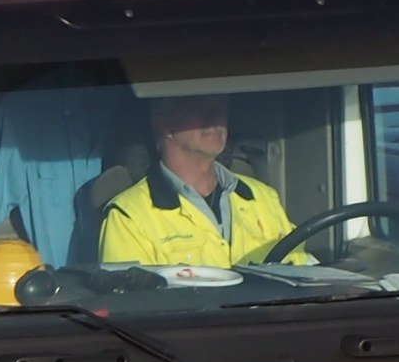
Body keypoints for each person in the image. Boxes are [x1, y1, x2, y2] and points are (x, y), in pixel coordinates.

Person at [98, 93, 305, 269]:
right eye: (199, 105)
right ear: (163, 123)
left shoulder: (263, 197)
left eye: (220, 106)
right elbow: (130, 308)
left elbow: (304, 276)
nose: (216, 115)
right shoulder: (129, 217)